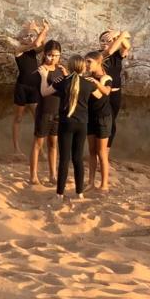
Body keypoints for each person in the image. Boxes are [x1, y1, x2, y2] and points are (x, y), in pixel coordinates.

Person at [40, 55, 100, 201]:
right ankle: (79, 193)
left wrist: (44, 76)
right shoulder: (88, 84)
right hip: (82, 124)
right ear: (83, 67)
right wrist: (97, 83)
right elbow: (99, 96)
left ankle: (60, 194)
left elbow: (44, 92)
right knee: (78, 159)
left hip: (66, 124)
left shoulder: (62, 82)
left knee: (64, 160)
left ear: (70, 66)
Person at [12, 19, 49, 155]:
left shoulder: (33, 52)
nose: (29, 37)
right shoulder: (18, 50)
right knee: (18, 118)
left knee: (38, 119)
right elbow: (36, 43)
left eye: (31, 35)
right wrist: (44, 29)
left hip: (34, 88)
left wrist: (39, 31)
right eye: (26, 35)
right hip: (22, 87)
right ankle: (16, 149)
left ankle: (41, 150)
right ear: (20, 39)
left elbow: (44, 47)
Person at [29, 40, 62, 186]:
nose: (52, 58)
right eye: (49, 55)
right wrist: (44, 75)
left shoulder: (61, 70)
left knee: (53, 144)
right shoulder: (40, 70)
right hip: (44, 112)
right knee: (38, 144)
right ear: (44, 54)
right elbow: (41, 93)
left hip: (58, 112)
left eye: (55, 55)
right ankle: (33, 175)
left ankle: (52, 174)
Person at [85, 51, 113, 191]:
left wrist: (95, 83)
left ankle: (104, 184)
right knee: (91, 151)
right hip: (90, 118)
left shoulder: (106, 77)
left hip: (103, 118)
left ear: (98, 62)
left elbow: (107, 91)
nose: (86, 64)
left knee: (102, 152)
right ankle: (90, 182)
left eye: (89, 61)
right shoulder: (88, 77)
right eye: (86, 61)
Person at [99, 29, 131, 149]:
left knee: (112, 124)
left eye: (107, 40)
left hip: (116, 94)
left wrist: (119, 34)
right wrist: (120, 35)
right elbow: (110, 50)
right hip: (103, 93)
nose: (104, 42)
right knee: (104, 122)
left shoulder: (118, 55)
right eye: (102, 41)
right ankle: (100, 152)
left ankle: (106, 152)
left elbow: (127, 45)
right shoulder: (98, 55)